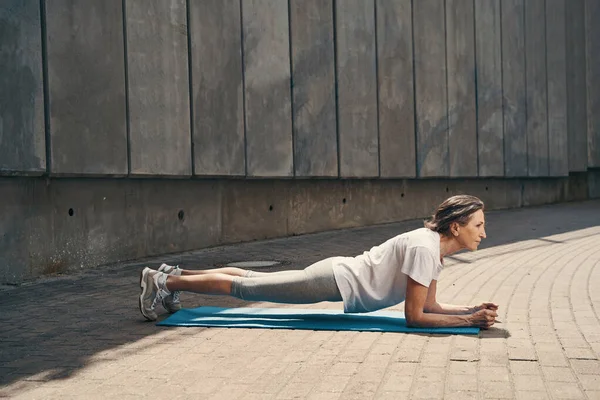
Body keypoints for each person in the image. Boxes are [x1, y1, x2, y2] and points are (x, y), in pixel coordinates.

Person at [139, 195, 498, 329]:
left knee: (250, 277)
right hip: (331, 281)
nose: (483, 232)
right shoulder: (425, 248)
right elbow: (415, 317)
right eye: (478, 225)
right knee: (247, 286)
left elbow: (430, 305)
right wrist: (468, 321)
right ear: (456, 226)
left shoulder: (431, 248)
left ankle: (175, 275)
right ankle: (163, 283)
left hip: (335, 274)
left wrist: (471, 308)